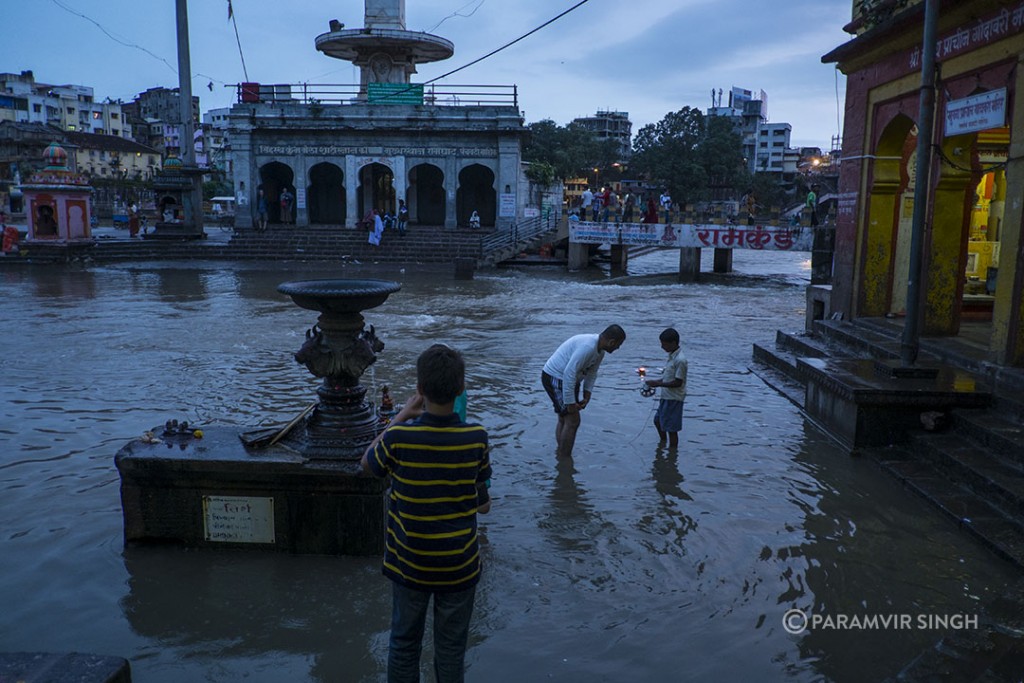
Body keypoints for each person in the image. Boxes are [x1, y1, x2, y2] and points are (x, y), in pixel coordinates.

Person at [361, 344, 492, 683]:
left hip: (410, 563)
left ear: (419, 389)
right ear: (461, 388)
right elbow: (482, 501)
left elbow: (367, 463)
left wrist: (403, 414)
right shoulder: (476, 438)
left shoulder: (401, 437)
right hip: (460, 566)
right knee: (450, 650)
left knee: (404, 644)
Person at [541, 324, 626, 459]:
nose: (618, 348)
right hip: (556, 377)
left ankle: (561, 454)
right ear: (612, 342)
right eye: (618, 345)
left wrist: (587, 394)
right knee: (573, 420)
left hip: (570, 380)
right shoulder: (588, 347)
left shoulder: (600, 351)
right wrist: (570, 402)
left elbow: (592, 373)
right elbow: (569, 372)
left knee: (565, 418)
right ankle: (565, 459)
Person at [644, 328, 688, 449]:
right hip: (666, 397)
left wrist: (658, 384)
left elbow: (678, 382)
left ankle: (672, 452)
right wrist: (655, 382)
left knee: (671, 429)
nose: (662, 347)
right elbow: (668, 378)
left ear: (673, 343)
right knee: (658, 421)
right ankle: (663, 443)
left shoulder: (680, 360)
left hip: (674, 398)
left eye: (664, 344)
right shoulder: (672, 357)